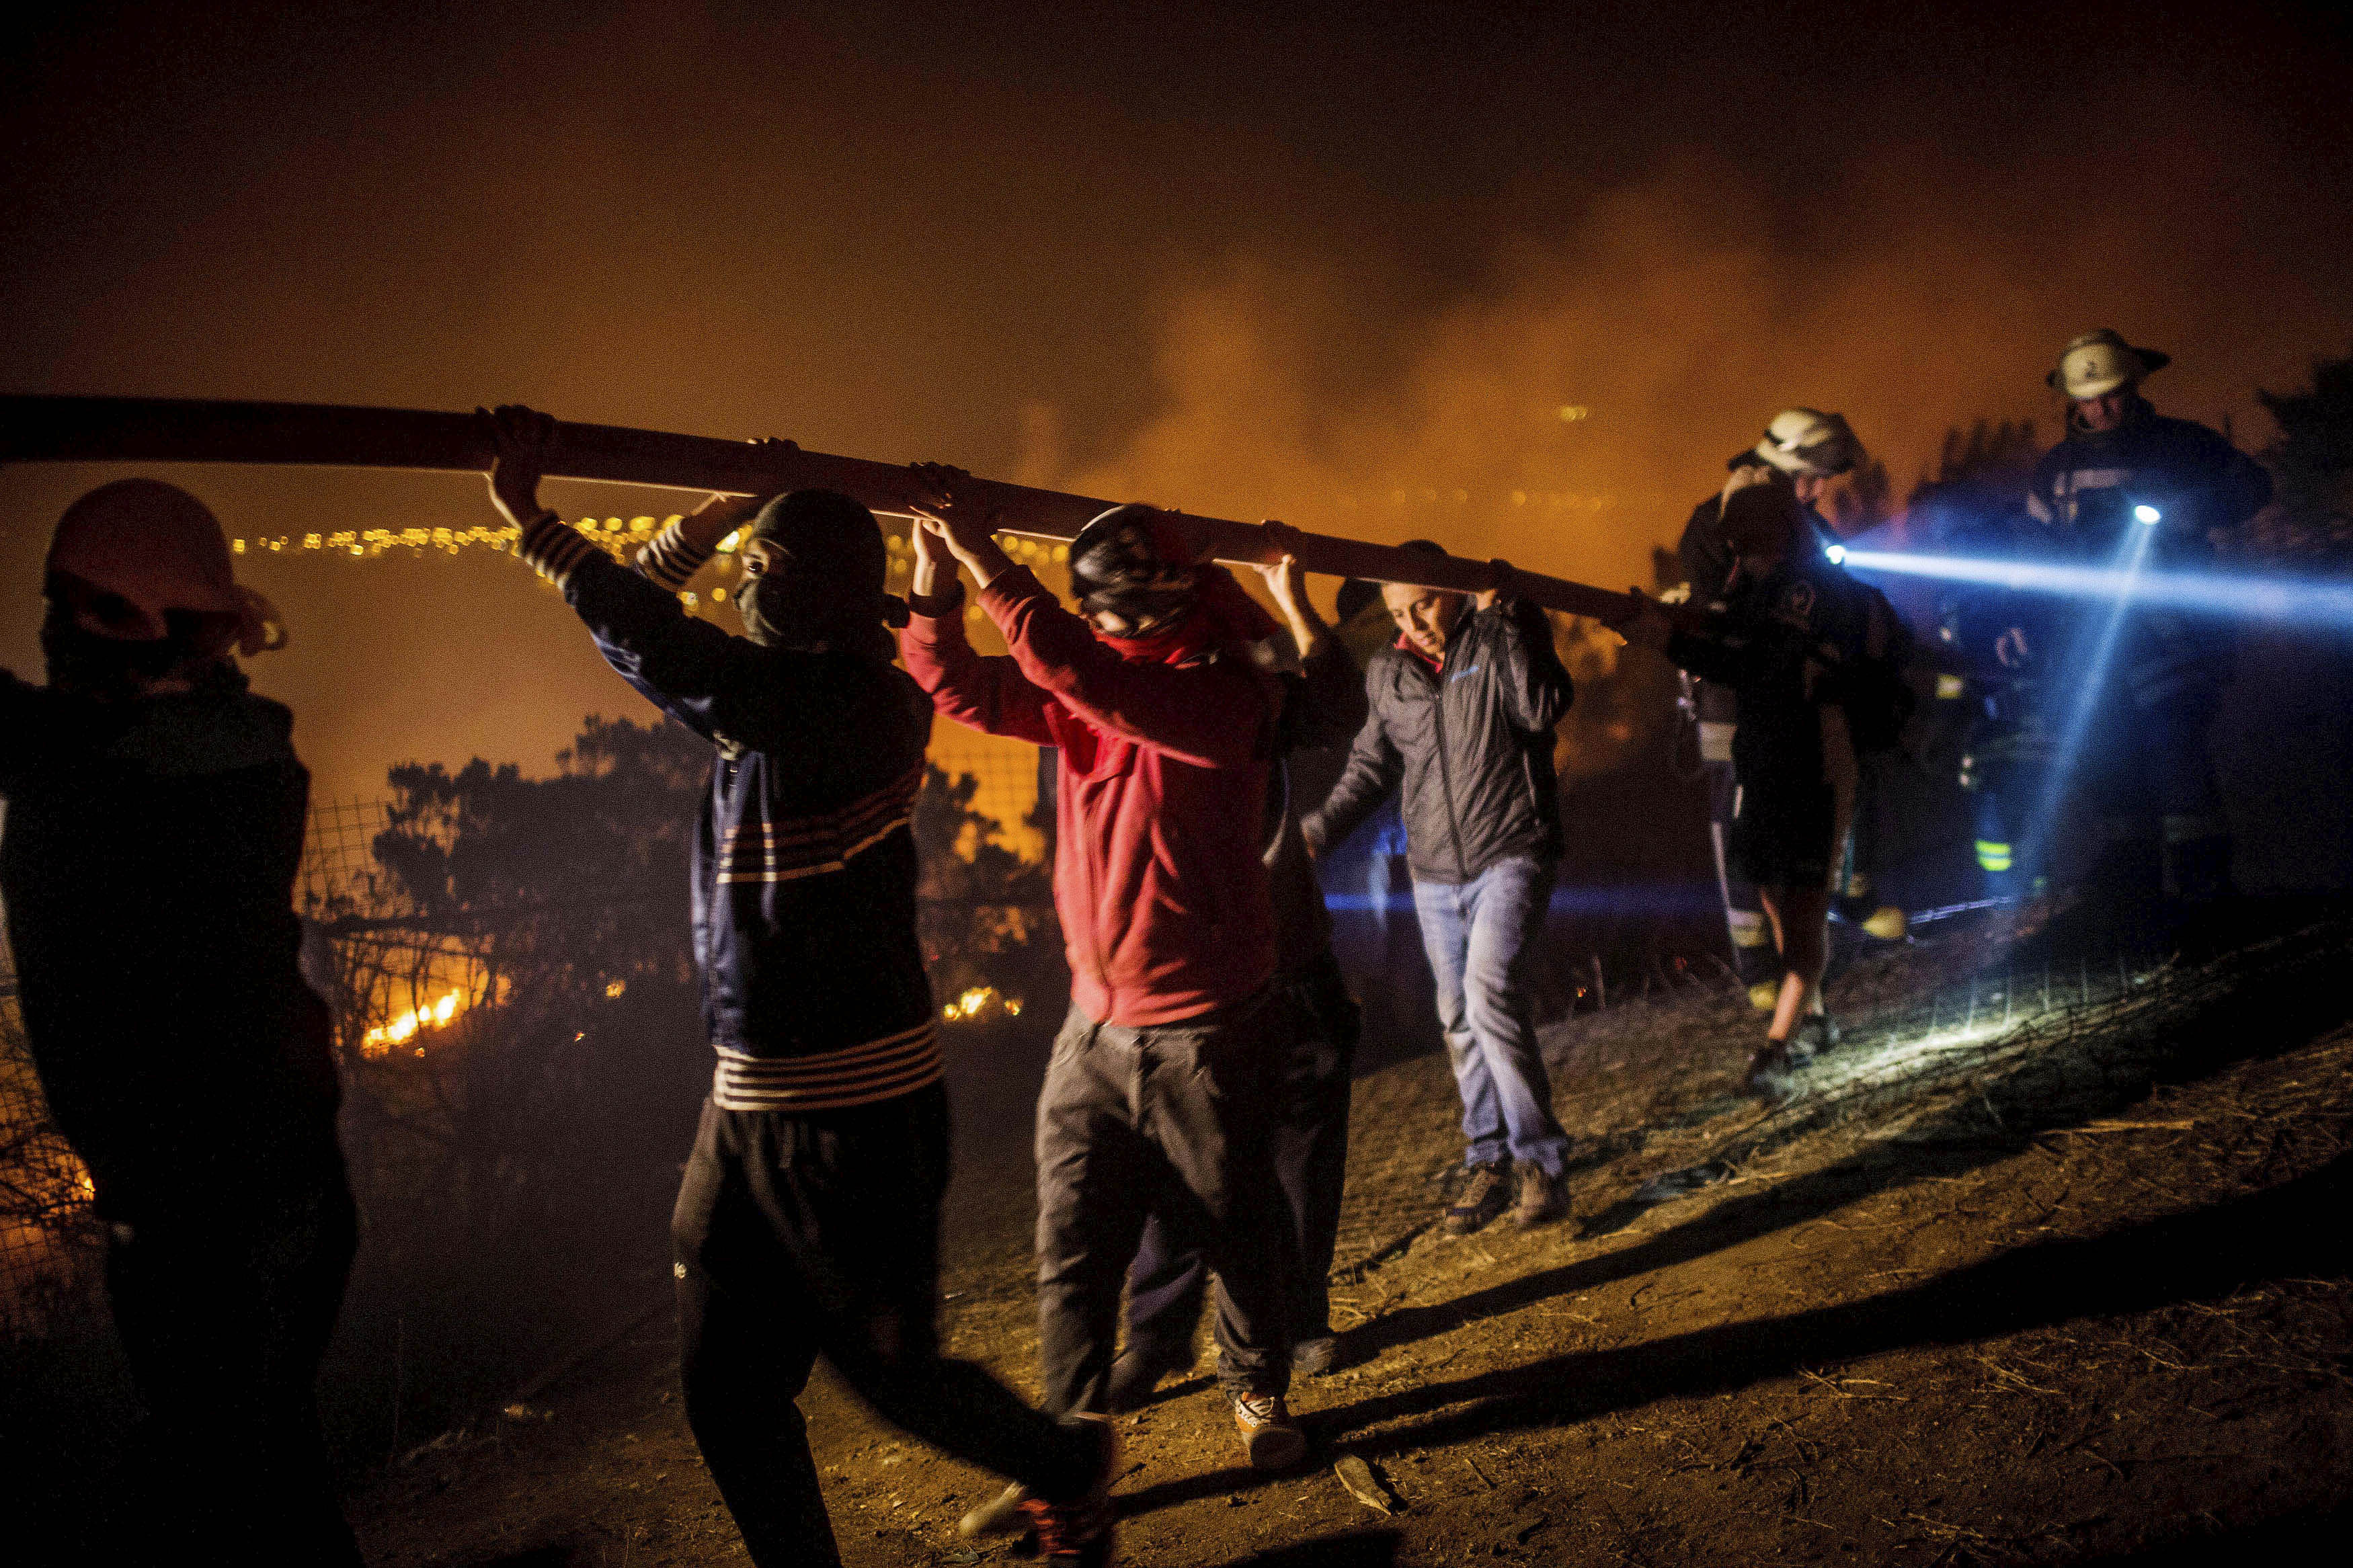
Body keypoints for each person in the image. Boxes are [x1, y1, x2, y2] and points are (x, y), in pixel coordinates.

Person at [479, 411, 1117, 1568]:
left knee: (896, 1378)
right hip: (747, 1105)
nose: (747, 585)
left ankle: (1067, 1463)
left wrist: (532, 518)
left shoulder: (846, 708)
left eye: (766, 568)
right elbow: (662, 629)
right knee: (726, 1389)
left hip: (855, 1118)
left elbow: (656, 642)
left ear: (816, 594)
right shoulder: (780, 689)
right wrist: (722, 508)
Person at [895, 480, 1310, 1491]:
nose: (1099, 623)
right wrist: (935, 576)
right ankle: (1065, 1444)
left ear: (1163, 601)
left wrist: (992, 563)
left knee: (1237, 1226)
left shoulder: (1226, 693)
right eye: (1092, 610)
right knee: (1072, 1246)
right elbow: (952, 682)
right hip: (1092, 1027)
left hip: (1206, 1027)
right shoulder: (1093, 674)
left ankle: (1257, 1386)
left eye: (1108, 607)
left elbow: (1082, 673)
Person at [0, 479, 362, 1563]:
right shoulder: (230, 748)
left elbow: (57, 748)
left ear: (135, 627)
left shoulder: (115, 767)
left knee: (216, 1495)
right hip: (267, 1201)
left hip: (216, 1226)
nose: (55, 630)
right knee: (268, 1480)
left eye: (77, 605)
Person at [1109, 544, 1367, 1411]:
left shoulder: (1241, 695)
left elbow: (1332, 701)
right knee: (1179, 1159)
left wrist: (1275, 595)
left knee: (1295, 1146)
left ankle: (1288, 1318)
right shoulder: (1120, 695)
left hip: (1284, 955)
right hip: (1186, 978)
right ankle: (1156, 1333)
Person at [1301, 542, 1575, 1236]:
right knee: (1456, 1017)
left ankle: (1539, 1160)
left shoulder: (1501, 629)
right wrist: (1318, 829)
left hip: (1510, 848)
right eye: (1398, 611)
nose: (1414, 622)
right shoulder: (1390, 670)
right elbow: (1370, 763)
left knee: (1488, 996)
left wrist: (1504, 616)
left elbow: (1541, 706)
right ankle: (1487, 1160)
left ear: (1452, 587)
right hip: (1432, 874)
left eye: (1423, 602)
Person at [1631, 472, 1911, 1094]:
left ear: (1775, 526)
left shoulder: (1805, 588)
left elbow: (1756, 662)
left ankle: (1778, 1044)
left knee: (1804, 900)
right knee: (1773, 893)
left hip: (1813, 752)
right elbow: (1736, 651)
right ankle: (1812, 1014)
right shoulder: (1761, 583)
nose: (1731, 546)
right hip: (1767, 752)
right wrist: (1667, 631)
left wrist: (1666, 637)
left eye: (1743, 532)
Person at [2019, 330, 2273, 910]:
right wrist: (2024, 620)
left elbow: (2255, 485)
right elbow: (2034, 554)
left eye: (2110, 395)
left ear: (2135, 386)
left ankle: (2204, 883)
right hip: (2091, 636)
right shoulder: (2053, 471)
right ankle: (2132, 889)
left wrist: (2191, 511)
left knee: (2175, 745)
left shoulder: (2181, 444)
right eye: (2088, 399)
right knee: (2107, 753)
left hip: (2172, 627)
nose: (2100, 409)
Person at [1675, 411, 1904, 1014]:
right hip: (1735, 704)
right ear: (1783, 469)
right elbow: (1717, 622)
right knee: (1742, 823)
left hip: (1807, 695)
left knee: (1833, 791)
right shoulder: (1716, 521)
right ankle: (1758, 963)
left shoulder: (1809, 526)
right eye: (1813, 477)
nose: (1821, 490)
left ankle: (1850, 901)